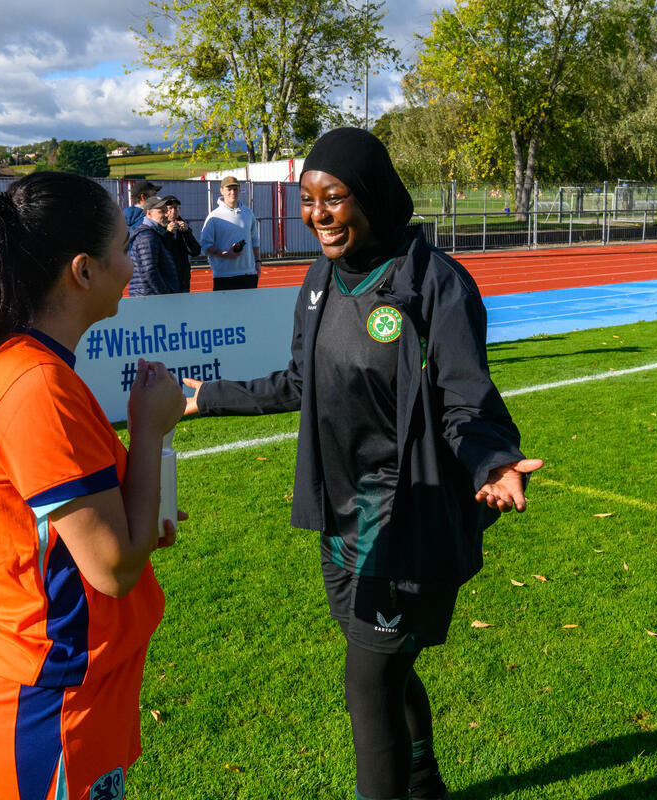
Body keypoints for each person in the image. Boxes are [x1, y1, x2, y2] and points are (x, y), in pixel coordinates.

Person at [182, 128, 542, 800]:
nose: (319, 213)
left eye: (335, 197)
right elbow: (298, 382)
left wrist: (493, 463)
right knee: (388, 672)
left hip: (404, 524)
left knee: (366, 685)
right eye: (309, 199)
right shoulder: (318, 280)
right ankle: (425, 784)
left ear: (372, 196)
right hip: (340, 518)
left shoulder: (436, 284)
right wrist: (210, 397)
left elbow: (467, 400)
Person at [0, 171, 185, 800]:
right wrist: (150, 431)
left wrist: (140, 506)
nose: (132, 260)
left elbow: (92, 541)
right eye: (123, 245)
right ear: (83, 271)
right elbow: (112, 568)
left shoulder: (28, 369)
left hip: (66, 692)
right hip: (45, 704)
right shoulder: (35, 385)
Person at [198, 176, 261, 290]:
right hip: (224, 276)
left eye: (235, 189)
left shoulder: (248, 213)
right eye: (229, 189)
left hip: (248, 274)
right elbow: (205, 246)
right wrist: (226, 254)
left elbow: (254, 240)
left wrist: (258, 262)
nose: (232, 192)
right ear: (222, 191)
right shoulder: (214, 217)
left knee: (249, 308)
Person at [129, 195, 181, 296]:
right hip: (150, 299)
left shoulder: (152, 234)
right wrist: (165, 295)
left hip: (149, 297)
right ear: (149, 213)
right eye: (161, 211)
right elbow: (150, 272)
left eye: (166, 211)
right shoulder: (147, 236)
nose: (166, 215)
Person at [162, 195, 200, 293]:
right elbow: (160, 251)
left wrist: (186, 233)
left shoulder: (183, 227)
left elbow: (195, 251)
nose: (173, 211)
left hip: (182, 281)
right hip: (165, 282)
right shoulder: (159, 228)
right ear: (163, 210)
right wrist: (168, 233)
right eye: (170, 208)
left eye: (176, 208)